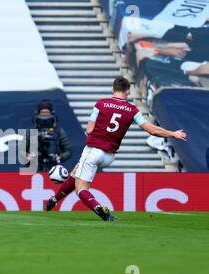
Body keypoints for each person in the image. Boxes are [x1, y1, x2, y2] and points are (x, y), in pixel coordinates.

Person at [45, 77, 187, 220]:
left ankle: (100, 210)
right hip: (109, 156)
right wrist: (173, 133)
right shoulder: (133, 110)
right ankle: (54, 200)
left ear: (112, 89)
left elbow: (89, 130)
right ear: (128, 91)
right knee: (77, 171)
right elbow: (152, 130)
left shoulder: (101, 104)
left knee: (81, 189)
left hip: (94, 150)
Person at [25, 100, 72, 172]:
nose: (45, 115)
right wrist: (28, 157)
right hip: (34, 166)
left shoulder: (59, 131)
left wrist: (59, 158)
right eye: (42, 112)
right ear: (38, 114)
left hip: (54, 167)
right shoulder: (30, 131)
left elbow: (68, 151)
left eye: (47, 112)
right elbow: (21, 150)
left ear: (51, 113)